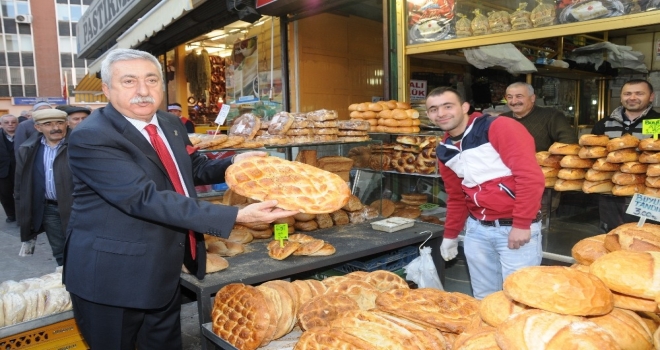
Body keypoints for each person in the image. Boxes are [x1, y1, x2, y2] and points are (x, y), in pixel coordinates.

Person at [62, 48, 297, 349]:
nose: (143, 91)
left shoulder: (169, 124)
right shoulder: (93, 136)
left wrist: (234, 163)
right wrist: (236, 216)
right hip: (113, 278)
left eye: (151, 80)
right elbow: (142, 197)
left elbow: (191, 168)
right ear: (107, 89)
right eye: (129, 81)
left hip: (164, 268)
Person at [429, 86, 545, 299]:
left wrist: (521, 223)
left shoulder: (499, 127)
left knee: (519, 299)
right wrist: (451, 235)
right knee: (484, 299)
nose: (441, 113)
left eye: (448, 106)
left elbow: (530, 177)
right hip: (477, 231)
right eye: (434, 109)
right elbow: (456, 197)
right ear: (429, 115)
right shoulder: (444, 149)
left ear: (464, 107)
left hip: (512, 229)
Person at [501, 82, 579, 224]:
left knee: (538, 223)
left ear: (532, 98)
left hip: (542, 184)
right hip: (507, 183)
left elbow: (570, 144)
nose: (514, 101)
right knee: (508, 223)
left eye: (519, 96)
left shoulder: (551, 116)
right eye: (510, 97)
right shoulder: (501, 119)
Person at [592, 79, 660, 231]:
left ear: (651, 97)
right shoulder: (604, 124)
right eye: (627, 94)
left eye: (639, 93)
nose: (632, 97)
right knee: (611, 235)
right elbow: (594, 161)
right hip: (610, 194)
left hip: (648, 196)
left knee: (645, 235)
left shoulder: (658, 121)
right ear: (621, 97)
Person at [15, 109, 72, 266]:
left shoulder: (79, 145)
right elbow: (20, 185)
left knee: (81, 248)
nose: (56, 128)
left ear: (67, 124)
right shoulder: (27, 149)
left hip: (78, 208)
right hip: (48, 210)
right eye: (48, 124)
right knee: (60, 251)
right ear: (38, 128)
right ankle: (66, 285)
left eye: (60, 123)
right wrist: (22, 214)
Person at [0, 114, 17, 222]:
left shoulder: (23, 135)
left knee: (22, 194)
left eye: (13, 122)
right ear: (1, 124)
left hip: (19, 170)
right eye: (6, 122)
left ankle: (23, 214)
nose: (10, 124)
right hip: (2, 171)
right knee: (5, 194)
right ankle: (11, 214)